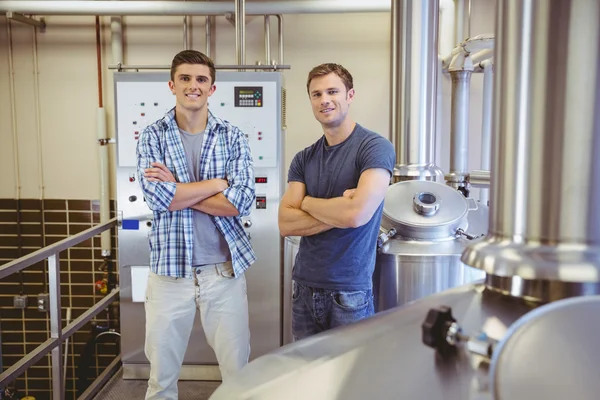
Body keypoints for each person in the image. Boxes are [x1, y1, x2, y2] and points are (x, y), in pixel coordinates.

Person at [136, 49, 255, 400]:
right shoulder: (152, 135)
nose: (193, 86)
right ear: (172, 85)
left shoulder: (232, 136)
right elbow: (158, 199)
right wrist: (216, 184)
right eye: (185, 78)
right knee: (161, 379)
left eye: (201, 79)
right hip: (169, 273)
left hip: (223, 272)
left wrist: (178, 187)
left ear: (212, 88)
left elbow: (241, 201)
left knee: (238, 375)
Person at [278, 63, 395, 341]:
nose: (324, 100)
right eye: (316, 94)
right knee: (307, 376)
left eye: (332, 91)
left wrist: (305, 202)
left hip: (350, 293)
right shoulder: (304, 158)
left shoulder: (374, 147)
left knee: (350, 381)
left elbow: (356, 214)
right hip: (303, 288)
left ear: (350, 95)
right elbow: (285, 223)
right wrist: (337, 210)